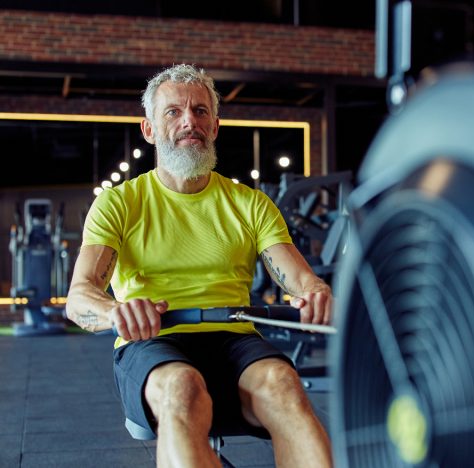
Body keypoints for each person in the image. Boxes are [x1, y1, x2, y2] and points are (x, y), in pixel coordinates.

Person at [65, 63, 334, 468]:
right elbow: (79, 298)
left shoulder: (250, 204)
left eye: (200, 111)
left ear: (215, 126)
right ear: (149, 129)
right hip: (154, 340)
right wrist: (117, 311)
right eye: (173, 111)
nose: (189, 121)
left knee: (284, 384)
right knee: (182, 387)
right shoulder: (120, 203)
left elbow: (299, 278)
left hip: (233, 339)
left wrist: (315, 292)